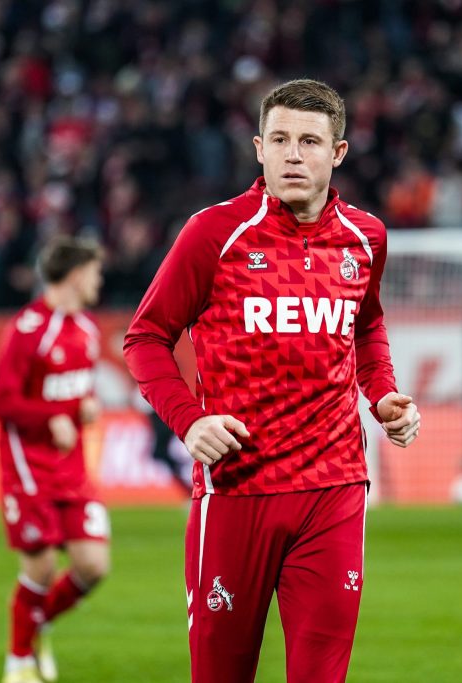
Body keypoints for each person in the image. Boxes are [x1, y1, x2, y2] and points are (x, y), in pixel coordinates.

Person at [124, 79, 421, 683]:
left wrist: (383, 393)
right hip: (239, 487)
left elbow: (366, 325)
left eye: (309, 142)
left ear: (338, 153)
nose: (292, 155)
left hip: (334, 486)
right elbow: (145, 337)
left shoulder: (366, 238)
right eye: (279, 140)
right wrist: (190, 421)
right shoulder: (215, 234)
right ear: (259, 149)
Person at [0, 236, 110, 683]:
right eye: (94, 272)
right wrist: (52, 416)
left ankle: (37, 623)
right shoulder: (28, 329)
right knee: (40, 568)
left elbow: (74, 393)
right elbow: (0, 401)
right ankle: (18, 663)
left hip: (72, 469)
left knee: (93, 565)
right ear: (75, 275)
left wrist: (84, 407)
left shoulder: (89, 330)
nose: (99, 281)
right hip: (30, 467)